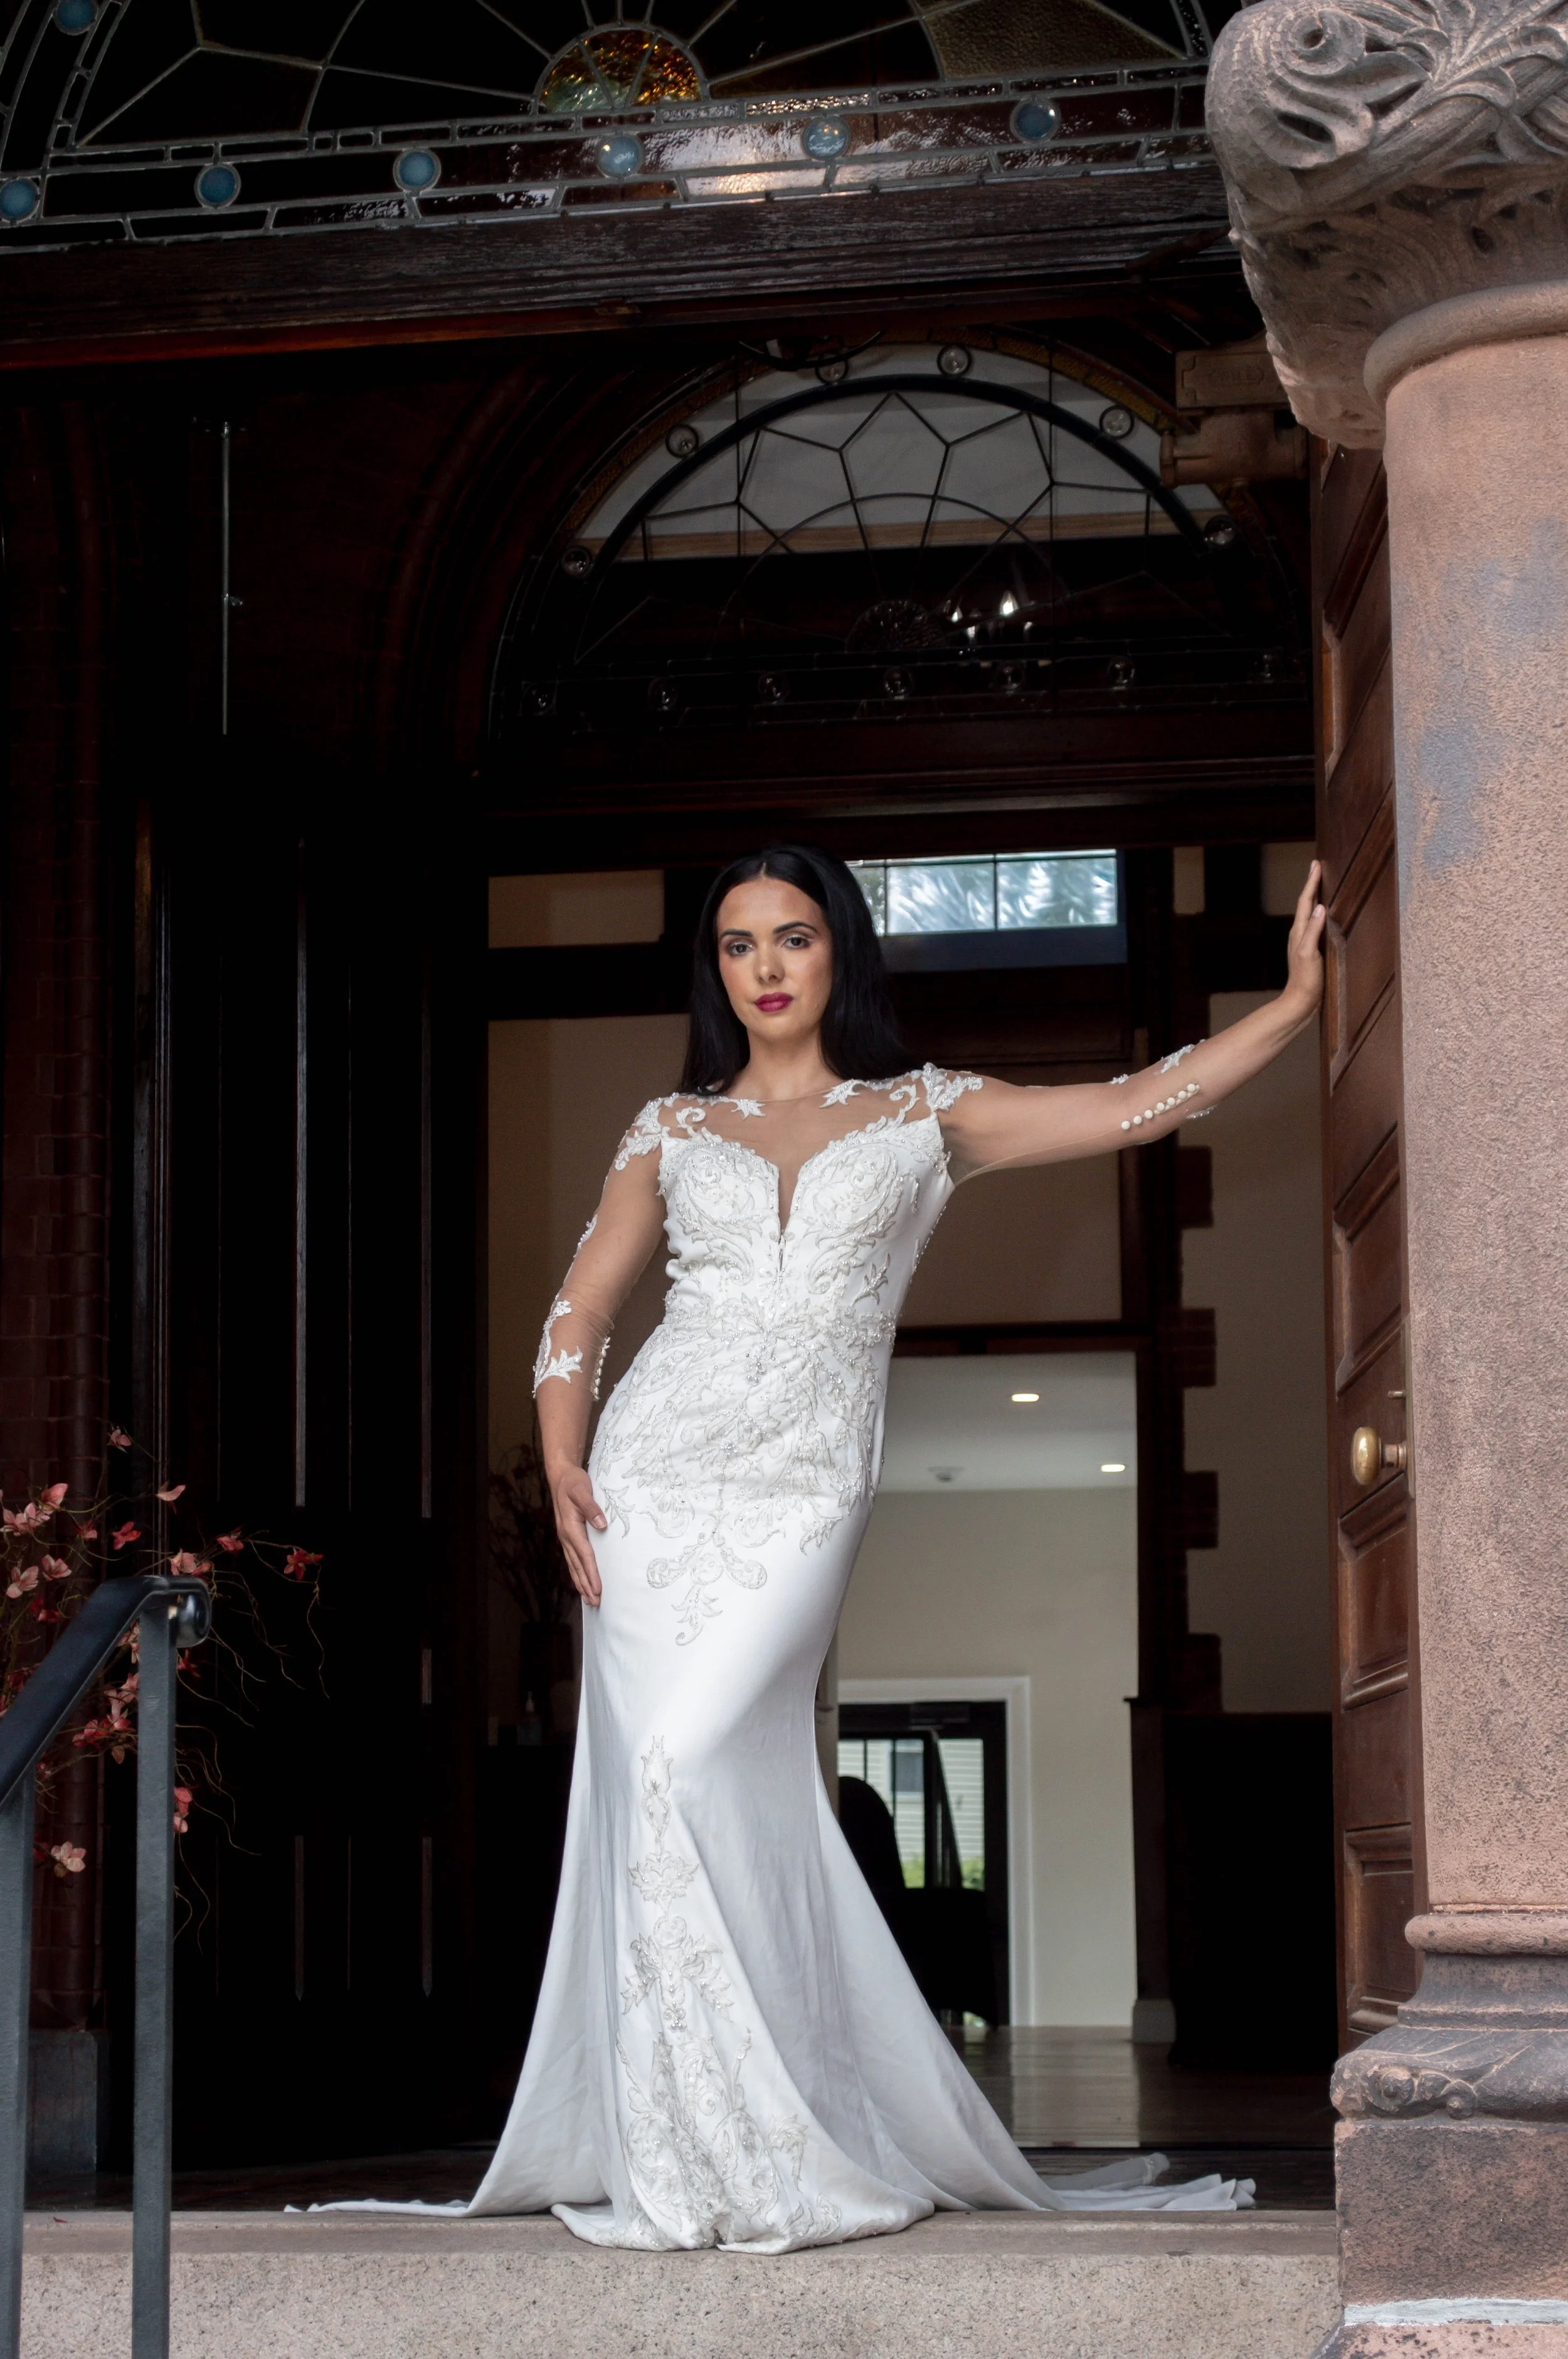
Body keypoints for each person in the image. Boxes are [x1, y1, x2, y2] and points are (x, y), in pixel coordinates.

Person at [475, 842, 1327, 2249]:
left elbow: (1128, 1107)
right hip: (650, 1481)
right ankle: (700, 2136)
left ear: (839, 953)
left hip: (806, 1488)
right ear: (716, 970)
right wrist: (564, 1452)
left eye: (791, 938)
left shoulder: (923, 1113)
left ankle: (786, 2124)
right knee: (666, 1784)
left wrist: (1290, 1007)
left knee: (690, 1761)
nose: (763, 968)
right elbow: (579, 1312)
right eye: (737, 944)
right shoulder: (668, 1131)